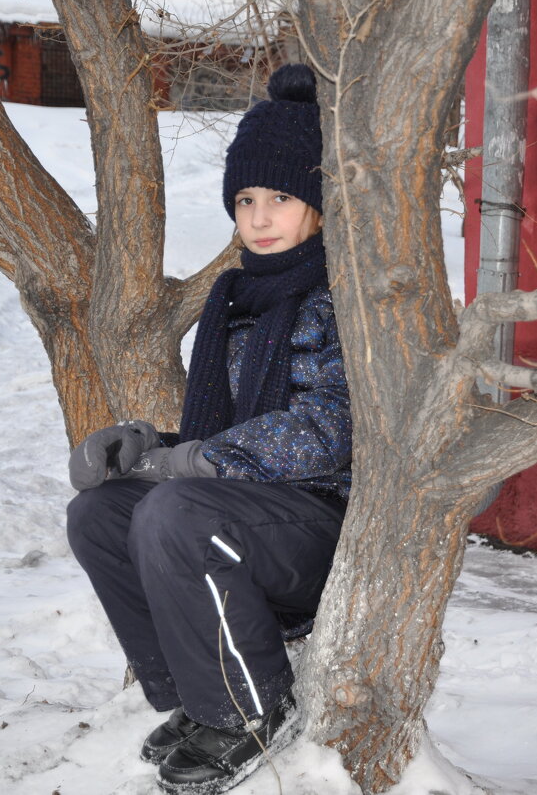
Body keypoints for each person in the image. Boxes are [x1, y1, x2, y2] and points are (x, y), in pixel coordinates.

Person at [65, 63, 350, 795]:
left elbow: (324, 432)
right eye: (246, 198)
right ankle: (198, 699)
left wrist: (189, 465)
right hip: (249, 507)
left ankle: (249, 712)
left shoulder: (339, 299)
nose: (258, 217)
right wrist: (145, 445)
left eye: (280, 197)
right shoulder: (238, 297)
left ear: (318, 202)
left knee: (178, 511)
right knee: (100, 513)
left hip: (324, 521)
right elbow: (219, 423)